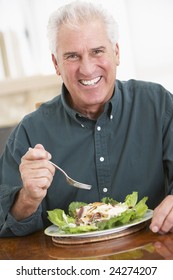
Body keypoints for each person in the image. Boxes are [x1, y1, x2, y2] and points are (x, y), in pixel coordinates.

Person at [0, 0, 173, 237]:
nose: (88, 68)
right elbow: (6, 225)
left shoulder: (158, 104)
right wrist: (27, 199)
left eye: (97, 51)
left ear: (116, 53)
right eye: (72, 56)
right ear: (56, 64)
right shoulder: (30, 132)